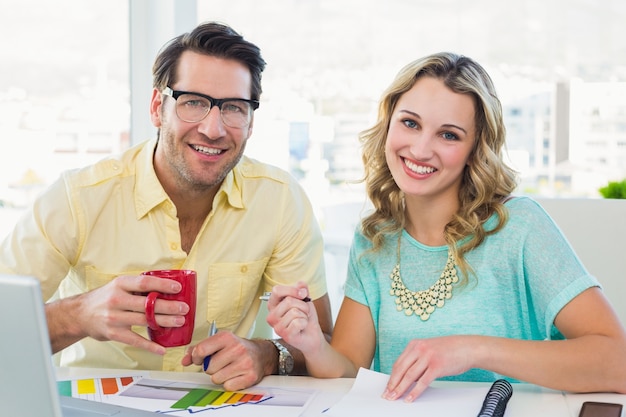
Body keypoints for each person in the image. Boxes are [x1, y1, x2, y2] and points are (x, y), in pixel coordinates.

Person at [266, 52, 626, 402]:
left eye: (449, 135)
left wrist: (471, 349)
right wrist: (311, 342)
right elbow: (348, 371)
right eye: (410, 123)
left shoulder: (520, 227)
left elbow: (617, 363)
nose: (421, 149)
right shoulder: (374, 239)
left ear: (475, 149)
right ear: (389, 124)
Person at [0, 21, 333, 391]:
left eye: (234, 108)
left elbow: (323, 342)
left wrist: (268, 354)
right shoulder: (78, 197)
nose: (213, 128)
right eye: (193, 102)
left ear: (251, 122)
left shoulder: (279, 200)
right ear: (158, 108)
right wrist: (78, 315)